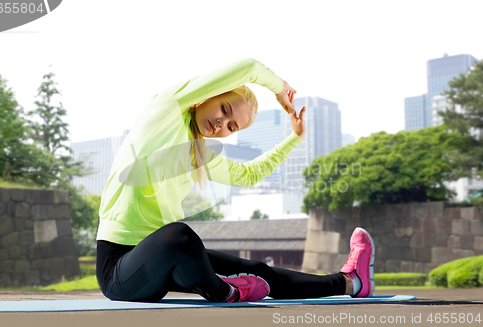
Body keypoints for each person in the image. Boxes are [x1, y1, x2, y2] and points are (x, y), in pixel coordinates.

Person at [96, 58, 375, 303]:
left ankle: (351, 282)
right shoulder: (167, 108)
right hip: (118, 270)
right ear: (209, 95)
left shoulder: (200, 154)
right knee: (178, 236)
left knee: (255, 270)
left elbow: (249, 174)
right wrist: (279, 88)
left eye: (232, 127)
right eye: (224, 109)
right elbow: (249, 66)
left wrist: (294, 138)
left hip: (161, 264)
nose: (222, 124)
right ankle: (225, 292)